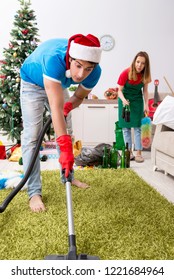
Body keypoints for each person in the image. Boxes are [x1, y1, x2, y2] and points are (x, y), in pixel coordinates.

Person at [20, 34, 102, 212]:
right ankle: (34, 192)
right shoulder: (54, 60)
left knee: (67, 129)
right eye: (78, 66)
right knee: (33, 135)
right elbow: (55, 110)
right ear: (70, 59)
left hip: (57, 84)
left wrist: (68, 107)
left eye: (88, 69)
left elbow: (78, 96)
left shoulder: (95, 72)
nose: (81, 74)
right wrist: (64, 148)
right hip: (32, 82)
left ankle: (68, 177)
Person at [117, 51, 151, 163]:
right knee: (126, 128)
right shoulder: (126, 72)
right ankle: (128, 153)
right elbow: (119, 91)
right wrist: (123, 100)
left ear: (146, 65)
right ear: (134, 61)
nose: (139, 65)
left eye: (142, 63)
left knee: (138, 127)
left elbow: (145, 91)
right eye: (138, 62)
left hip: (137, 101)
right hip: (125, 100)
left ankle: (138, 153)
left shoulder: (145, 75)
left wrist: (146, 104)